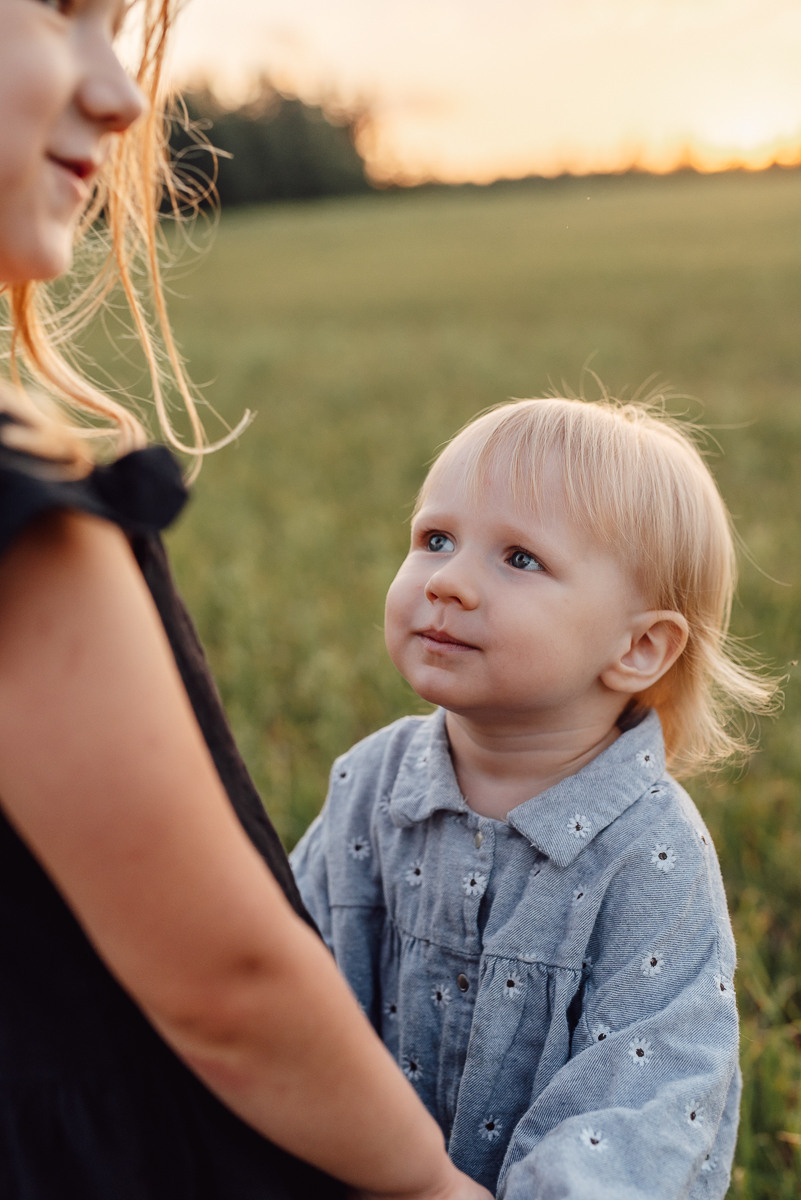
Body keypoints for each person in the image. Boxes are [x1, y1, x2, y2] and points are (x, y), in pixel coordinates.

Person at [0, 1, 494, 1198]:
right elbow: (227, 985)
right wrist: (429, 1185)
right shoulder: (23, 537)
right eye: (63, 14)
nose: (119, 95)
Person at [291, 396, 782, 1199]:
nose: (448, 581)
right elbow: (294, 976)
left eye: (518, 559)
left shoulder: (648, 852)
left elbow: (648, 1098)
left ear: (638, 647)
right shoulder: (372, 784)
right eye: (435, 539)